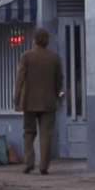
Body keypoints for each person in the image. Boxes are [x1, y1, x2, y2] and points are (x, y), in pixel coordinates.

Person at [14, 28, 63, 175]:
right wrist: (57, 95)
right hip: (48, 102)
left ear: (34, 40)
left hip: (29, 101)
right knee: (46, 134)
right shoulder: (54, 58)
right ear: (47, 41)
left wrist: (17, 98)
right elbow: (59, 80)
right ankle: (44, 166)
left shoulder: (26, 57)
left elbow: (20, 79)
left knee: (28, 133)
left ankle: (29, 162)